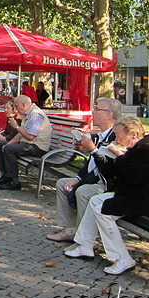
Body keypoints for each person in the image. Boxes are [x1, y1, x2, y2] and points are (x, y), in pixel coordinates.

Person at [64, 116, 149, 275]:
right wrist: (102, 154)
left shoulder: (148, 151)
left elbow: (133, 177)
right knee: (95, 200)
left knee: (103, 210)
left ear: (133, 135)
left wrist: (120, 157)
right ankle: (85, 245)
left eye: (120, 137)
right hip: (135, 195)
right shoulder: (135, 149)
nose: (118, 140)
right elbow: (115, 173)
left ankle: (123, 258)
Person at [46, 98, 121, 242]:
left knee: (83, 191)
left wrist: (92, 149)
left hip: (106, 184)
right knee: (63, 183)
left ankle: (84, 237)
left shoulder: (115, 136)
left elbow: (109, 170)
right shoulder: (101, 134)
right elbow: (91, 164)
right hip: (94, 178)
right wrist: (78, 178)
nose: (93, 111)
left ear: (108, 114)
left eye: (97, 109)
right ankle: (70, 229)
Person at [0, 94, 51, 191]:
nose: (17, 109)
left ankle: (14, 181)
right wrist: (7, 144)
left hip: (38, 147)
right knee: (3, 145)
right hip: (29, 144)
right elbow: (19, 135)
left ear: (24, 105)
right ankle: (5, 176)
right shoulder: (28, 114)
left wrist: (16, 127)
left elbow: (30, 137)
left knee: (9, 149)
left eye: (17, 106)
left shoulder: (35, 114)